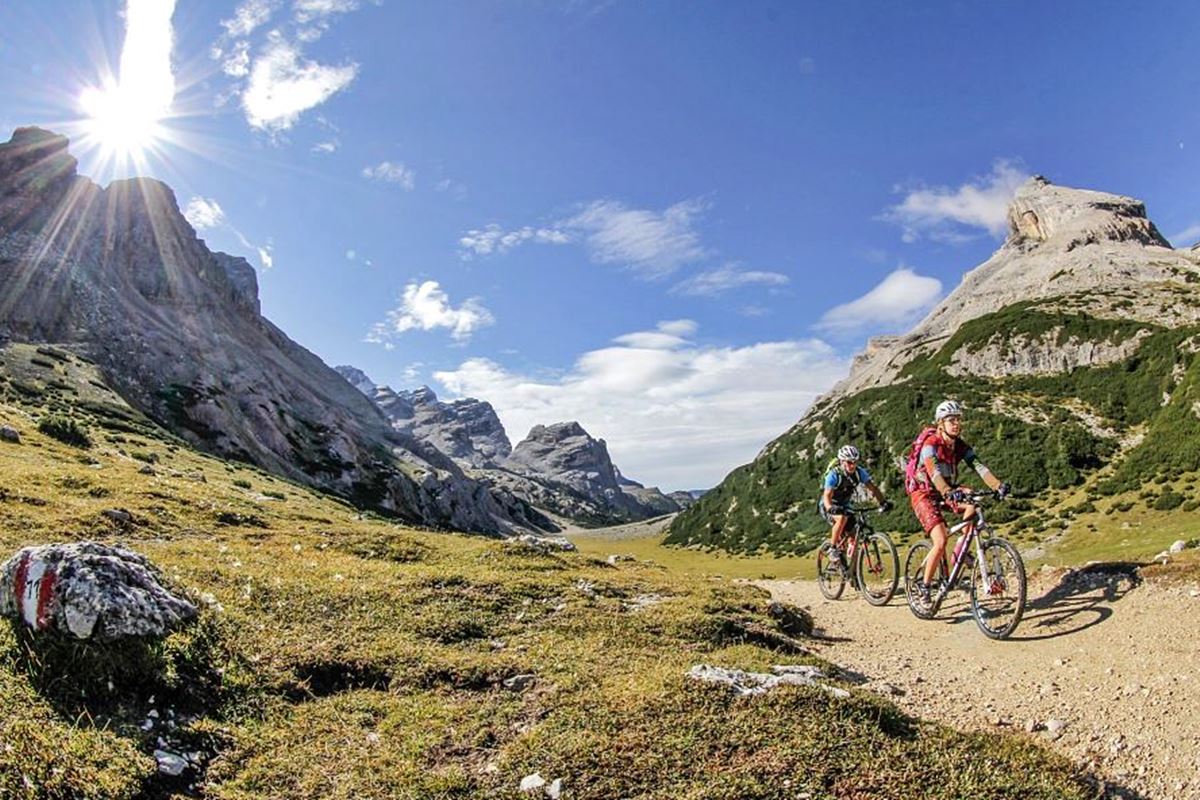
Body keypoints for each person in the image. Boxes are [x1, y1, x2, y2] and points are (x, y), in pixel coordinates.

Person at [909, 400, 1010, 604]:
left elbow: (979, 467)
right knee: (940, 540)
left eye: (958, 420)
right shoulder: (931, 444)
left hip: (946, 491)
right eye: (951, 420)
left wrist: (997, 485)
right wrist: (947, 491)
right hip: (923, 493)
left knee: (973, 500)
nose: (956, 424)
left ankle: (960, 552)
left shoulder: (960, 446)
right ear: (940, 424)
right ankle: (925, 587)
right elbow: (933, 471)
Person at [821, 444, 892, 567]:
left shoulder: (859, 473)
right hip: (829, 505)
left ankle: (853, 572)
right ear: (842, 462)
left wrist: (883, 502)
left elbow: (873, 488)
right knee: (841, 519)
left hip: (845, 505)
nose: (852, 465)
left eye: (855, 462)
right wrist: (830, 508)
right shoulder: (834, 475)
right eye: (849, 462)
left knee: (854, 537)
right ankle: (832, 548)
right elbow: (826, 496)